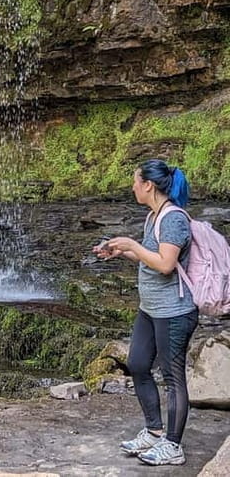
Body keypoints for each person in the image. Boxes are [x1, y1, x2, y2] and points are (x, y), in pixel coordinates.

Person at [93, 159, 197, 466]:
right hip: (150, 309)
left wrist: (133, 246)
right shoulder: (153, 216)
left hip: (174, 312)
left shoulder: (173, 219)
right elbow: (152, 260)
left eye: (135, 181)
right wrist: (120, 252)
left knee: (172, 376)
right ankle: (153, 431)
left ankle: (173, 446)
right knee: (138, 364)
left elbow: (165, 264)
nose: (132, 186)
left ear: (148, 185)